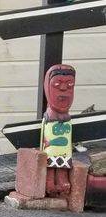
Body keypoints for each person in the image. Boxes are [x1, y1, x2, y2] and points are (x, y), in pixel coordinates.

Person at [40, 64, 75, 197]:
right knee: (50, 161)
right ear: (47, 87)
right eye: (57, 83)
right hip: (51, 149)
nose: (64, 88)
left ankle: (62, 180)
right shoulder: (49, 116)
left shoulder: (67, 117)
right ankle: (49, 182)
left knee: (64, 162)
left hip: (64, 152)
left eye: (70, 84)